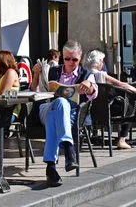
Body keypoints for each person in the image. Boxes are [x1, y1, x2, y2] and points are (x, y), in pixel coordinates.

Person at [30, 40, 98, 187]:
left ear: (80, 59)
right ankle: (68, 149)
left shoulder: (85, 74)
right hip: (46, 108)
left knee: (55, 117)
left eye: (74, 59)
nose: (71, 62)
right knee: (60, 103)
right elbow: (33, 90)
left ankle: (51, 167)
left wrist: (89, 86)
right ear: (62, 58)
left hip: (69, 115)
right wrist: (36, 74)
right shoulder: (52, 71)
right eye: (67, 58)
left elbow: (94, 92)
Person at [83, 49, 136, 150]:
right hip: (107, 110)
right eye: (102, 60)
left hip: (90, 111)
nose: (103, 63)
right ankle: (125, 137)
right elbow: (123, 85)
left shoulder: (83, 74)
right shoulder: (100, 74)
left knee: (129, 104)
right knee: (132, 104)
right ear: (97, 62)